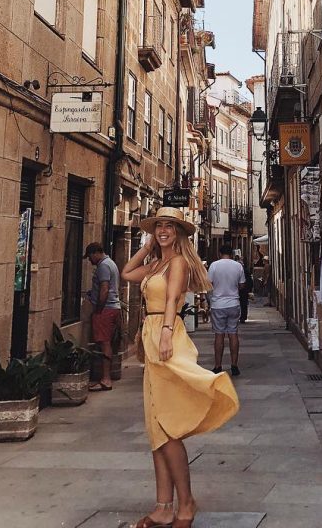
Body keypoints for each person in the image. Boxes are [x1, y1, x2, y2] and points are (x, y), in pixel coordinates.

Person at [121, 207, 238, 528]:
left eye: (169, 226)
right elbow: (126, 274)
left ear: (180, 233)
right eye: (158, 226)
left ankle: (185, 503)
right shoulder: (156, 263)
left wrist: (167, 334)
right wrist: (147, 245)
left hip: (166, 337)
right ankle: (163, 507)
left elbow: (172, 299)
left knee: (168, 427)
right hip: (153, 335)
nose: (163, 231)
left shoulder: (179, 263)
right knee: (156, 429)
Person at [84, 242, 120, 391]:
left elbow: (104, 289)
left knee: (104, 342)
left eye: (89, 257)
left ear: (95, 253)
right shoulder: (111, 263)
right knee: (106, 342)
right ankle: (105, 378)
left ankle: (106, 379)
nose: (89, 261)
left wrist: (98, 309)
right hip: (112, 308)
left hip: (106, 309)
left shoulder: (103, 266)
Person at [207, 243, 245, 376]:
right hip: (233, 303)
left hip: (218, 305)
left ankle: (218, 366)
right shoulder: (238, 266)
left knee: (219, 335)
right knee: (233, 334)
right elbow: (242, 285)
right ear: (232, 254)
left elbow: (209, 284)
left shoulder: (214, 265)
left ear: (219, 253)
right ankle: (234, 365)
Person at [235, 250, 252, 324]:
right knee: (243, 304)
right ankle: (243, 317)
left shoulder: (235, 271)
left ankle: (239, 317)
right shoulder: (246, 270)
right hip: (244, 290)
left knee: (238, 304)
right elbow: (250, 281)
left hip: (238, 290)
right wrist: (249, 289)